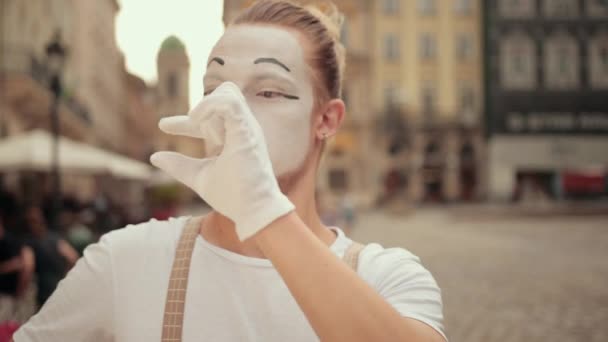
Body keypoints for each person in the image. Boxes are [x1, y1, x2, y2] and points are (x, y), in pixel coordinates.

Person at [13, 1, 446, 341]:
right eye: (216, 91)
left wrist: (262, 209)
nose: (232, 111)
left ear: (326, 120)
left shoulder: (387, 277)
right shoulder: (126, 260)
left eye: (270, 91)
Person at [22, 206, 78, 308]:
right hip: (60, 290)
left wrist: (20, 290)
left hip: (43, 292)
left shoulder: (30, 242)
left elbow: (28, 266)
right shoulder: (55, 238)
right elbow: (73, 257)